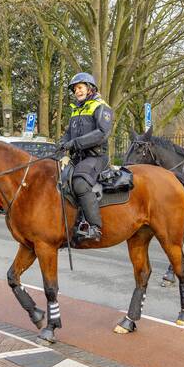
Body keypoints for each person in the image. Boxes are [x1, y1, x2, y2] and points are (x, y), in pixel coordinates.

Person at [57, 72, 114, 243]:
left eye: (80, 87)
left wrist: (75, 143)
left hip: (96, 157)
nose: (77, 91)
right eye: (75, 89)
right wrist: (61, 145)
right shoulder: (76, 110)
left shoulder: (101, 107)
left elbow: (102, 133)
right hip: (78, 157)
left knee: (80, 183)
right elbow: (68, 134)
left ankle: (94, 227)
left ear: (90, 88)